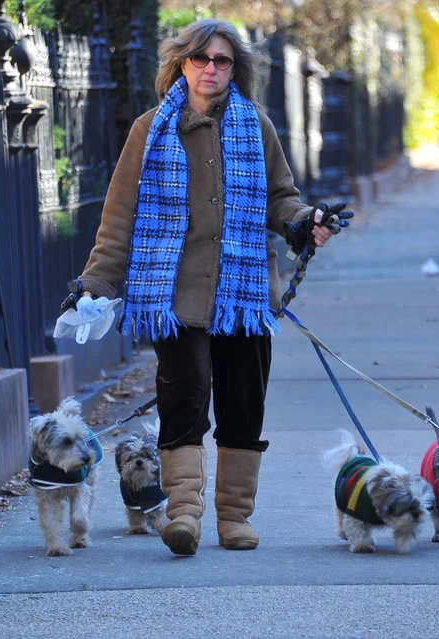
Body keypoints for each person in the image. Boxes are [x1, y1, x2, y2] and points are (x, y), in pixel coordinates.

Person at [67, 19, 350, 556]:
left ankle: (235, 517)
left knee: (244, 402)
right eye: (201, 59)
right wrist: (97, 280)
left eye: (221, 61)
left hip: (242, 295)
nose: (211, 70)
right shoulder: (149, 130)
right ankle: (184, 514)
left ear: (233, 69)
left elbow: (280, 199)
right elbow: (120, 213)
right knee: (185, 397)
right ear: (181, 64)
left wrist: (306, 219)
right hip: (173, 296)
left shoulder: (255, 125)